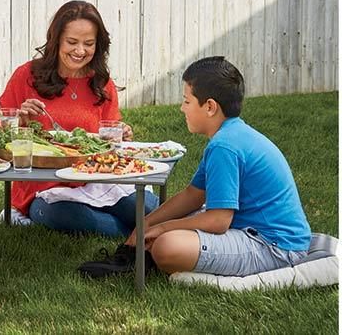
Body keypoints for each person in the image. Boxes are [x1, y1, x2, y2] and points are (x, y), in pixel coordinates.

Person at [78, 56, 311, 278]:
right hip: (252, 230)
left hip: (275, 247)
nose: (182, 108)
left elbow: (218, 221)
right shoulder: (229, 135)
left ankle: (160, 256)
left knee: (167, 246)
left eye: (187, 101)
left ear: (210, 107)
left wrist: (163, 229)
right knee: (168, 227)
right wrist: (146, 223)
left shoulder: (225, 146)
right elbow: (193, 195)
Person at [0, 0, 159, 236]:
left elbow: (109, 141)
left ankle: (158, 228)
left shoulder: (101, 82)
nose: (80, 51)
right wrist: (20, 121)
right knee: (71, 218)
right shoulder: (27, 76)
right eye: (72, 42)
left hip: (95, 177)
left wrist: (121, 134)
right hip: (44, 186)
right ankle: (142, 235)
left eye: (88, 43)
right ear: (56, 40)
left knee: (140, 206)